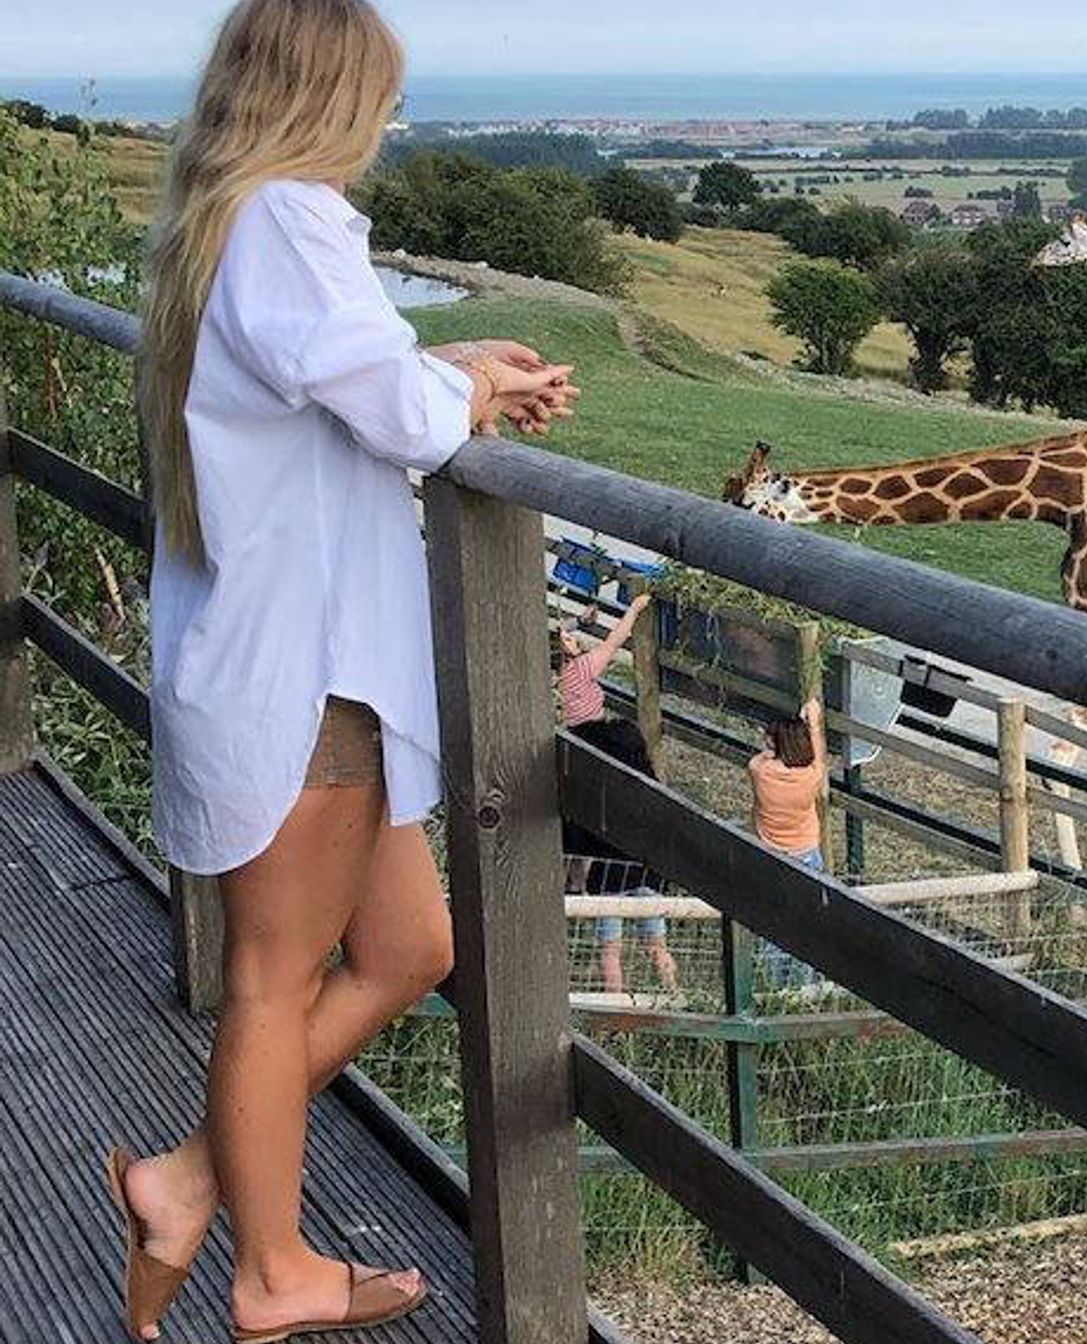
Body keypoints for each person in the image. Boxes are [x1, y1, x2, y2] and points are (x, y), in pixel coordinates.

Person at [110, 3, 579, 1341]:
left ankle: (190, 1178)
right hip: (307, 680)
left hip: (303, 673)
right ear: (331, 97)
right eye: (379, 99)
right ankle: (271, 1272)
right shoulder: (289, 219)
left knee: (411, 946)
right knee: (271, 980)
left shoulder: (231, 224)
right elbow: (388, 413)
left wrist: (453, 366)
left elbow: (324, 382)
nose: (385, 127)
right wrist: (461, 397)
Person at [556, 593, 679, 996]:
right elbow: (615, 640)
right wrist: (636, 608)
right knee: (649, 942)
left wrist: (580, 621)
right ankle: (673, 993)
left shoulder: (560, 677)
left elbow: (569, 633)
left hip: (573, 745)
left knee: (608, 941)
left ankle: (612, 998)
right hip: (597, 744)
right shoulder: (585, 669)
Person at [747, 698, 830, 988]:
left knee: (772, 926)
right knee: (807, 925)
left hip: (771, 855)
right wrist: (815, 724)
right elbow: (820, 758)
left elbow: (761, 757)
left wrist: (772, 748)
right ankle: (805, 986)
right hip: (806, 853)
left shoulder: (760, 771)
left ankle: (775, 988)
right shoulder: (810, 778)